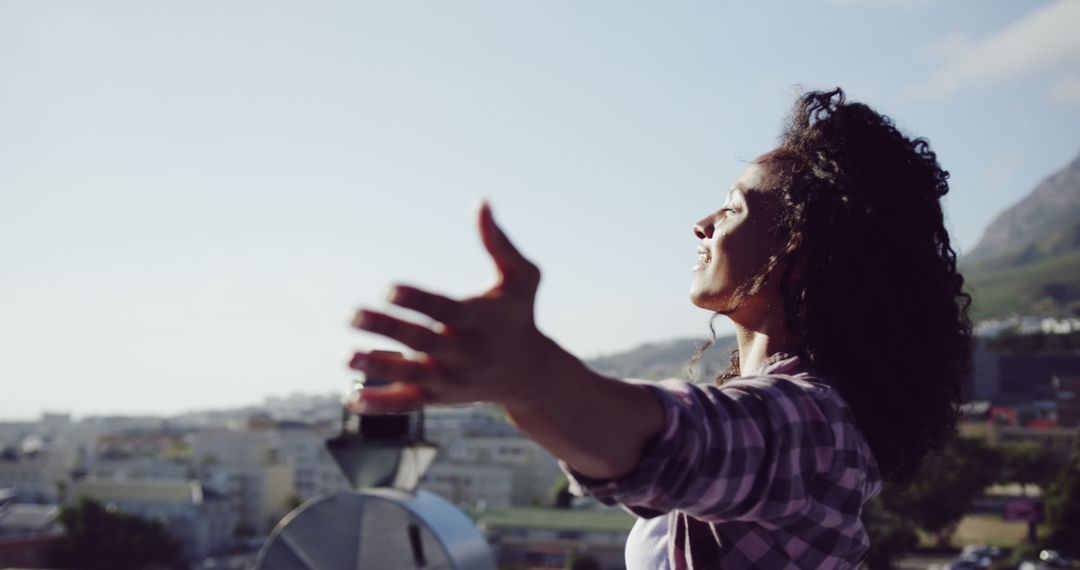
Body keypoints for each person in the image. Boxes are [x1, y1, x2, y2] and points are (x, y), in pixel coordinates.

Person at [346, 88, 972, 568]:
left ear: (798, 250)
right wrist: (526, 386)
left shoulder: (816, 429)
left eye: (734, 207)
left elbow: (668, 442)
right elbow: (627, 454)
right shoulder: (787, 417)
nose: (703, 222)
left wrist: (531, 375)